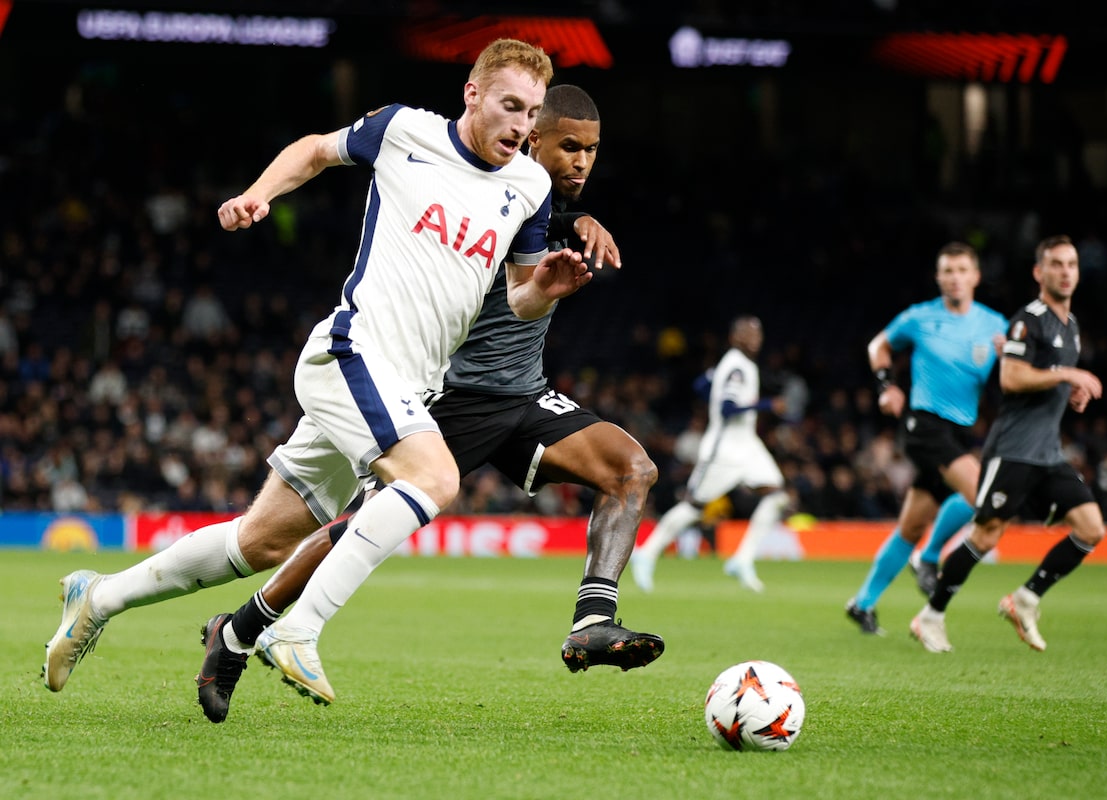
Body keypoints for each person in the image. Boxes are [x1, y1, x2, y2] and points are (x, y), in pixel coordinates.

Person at [44, 38, 592, 693]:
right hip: (352, 352)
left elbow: (520, 296)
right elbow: (313, 150)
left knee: (261, 543)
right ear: (472, 94)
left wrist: (546, 291)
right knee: (435, 478)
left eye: (531, 112)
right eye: (509, 106)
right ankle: (297, 629)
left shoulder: (529, 185)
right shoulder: (405, 131)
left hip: (409, 385)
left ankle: (97, 597)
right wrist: (259, 195)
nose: (521, 125)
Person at [193, 84, 663, 720]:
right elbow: (504, 242)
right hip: (456, 398)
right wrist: (569, 223)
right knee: (362, 528)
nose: (582, 162)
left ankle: (592, 621)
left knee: (631, 468)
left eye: (592, 150)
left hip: (523, 396)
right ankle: (240, 631)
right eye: (569, 147)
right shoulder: (493, 196)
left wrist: (571, 221)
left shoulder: (537, 202)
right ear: (531, 139)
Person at [910, 235, 1105, 653]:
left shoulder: (1070, 327)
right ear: (1039, 272)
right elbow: (1012, 378)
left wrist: (1070, 392)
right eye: (1056, 264)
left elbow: (1045, 380)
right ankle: (930, 617)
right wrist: (1067, 376)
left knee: (1092, 528)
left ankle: (1025, 599)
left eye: (1071, 264)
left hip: (1047, 452)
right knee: (986, 536)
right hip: (1013, 450)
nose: (1065, 272)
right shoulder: (1027, 320)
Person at [844, 242, 1007, 634]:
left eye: (962, 270)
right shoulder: (919, 317)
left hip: (960, 431)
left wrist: (1012, 359)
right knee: (983, 494)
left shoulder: (995, 324)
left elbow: (1015, 372)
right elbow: (878, 345)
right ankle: (929, 557)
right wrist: (887, 386)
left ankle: (862, 603)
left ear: (976, 276)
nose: (955, 278)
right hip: (923, 424)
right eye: (947, 270)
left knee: (911, 527)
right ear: (938, 277)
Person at [629, 315, 790, 593]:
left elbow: (701, 386)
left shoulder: (733, 365)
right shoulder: (737, 367)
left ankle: (742, 559)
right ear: (735, 337)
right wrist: (767, 404)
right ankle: (647, 552)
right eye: (749, 333)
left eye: (758, 333)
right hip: (725, 447)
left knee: (777, 496)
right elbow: (727, 408)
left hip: (747, 444)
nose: (756, 338)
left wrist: (715, 391)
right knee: (694, 507)